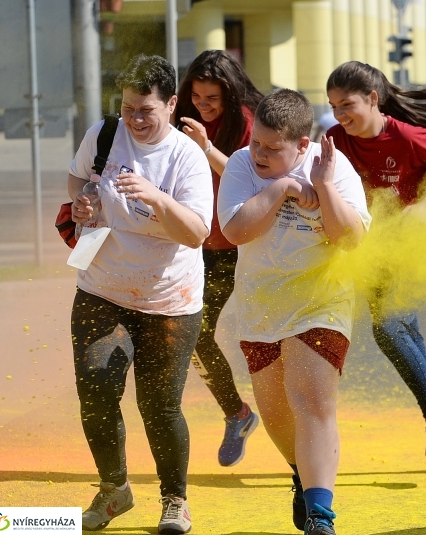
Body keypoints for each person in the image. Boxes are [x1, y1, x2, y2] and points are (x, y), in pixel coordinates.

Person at [68, 54, 213, 534]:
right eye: (129, 107)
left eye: (146, 110)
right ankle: (115, 490)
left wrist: (156, 196)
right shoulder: (105, 133)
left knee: (159, 404)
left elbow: (195, 233)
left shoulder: (186, 157)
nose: (135, 119)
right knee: (95, 388)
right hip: (102, 286)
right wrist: (82, 202)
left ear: (171, 104)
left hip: (168, 298)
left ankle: (175, 500)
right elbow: (78, 179)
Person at [218, 89, 371, 535]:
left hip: (322, 301)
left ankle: (320, 516)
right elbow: (234, 230)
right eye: (256, 143)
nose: (260, 153)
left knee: (310, 399)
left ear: (302, 145)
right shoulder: (243, 166)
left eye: (273, 148)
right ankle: (302, 474)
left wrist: (321, 186)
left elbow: (351, 239)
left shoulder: (333, 167)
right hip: (261, 304)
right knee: (277, 415)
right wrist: (283, 186)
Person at [325, 61, 426, 475]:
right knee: (405, 334)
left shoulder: (407, 135)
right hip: (368, 251)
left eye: (348, 105)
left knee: (388, 329)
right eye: (334, 107)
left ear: (373, 99)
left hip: (410, 247)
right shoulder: (334, 139)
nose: (341, 115)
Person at [175, 49, 264, 467]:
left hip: (238, 249)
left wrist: (206, 147)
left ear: (230, 94)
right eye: (197, 97)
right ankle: (238, 414)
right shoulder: (181, 121)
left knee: (269, 335)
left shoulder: (246, 121)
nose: (204, 106)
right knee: (189, 334)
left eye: (212, 99)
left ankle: (299, 428)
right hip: (190, 246)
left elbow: (247, 179)